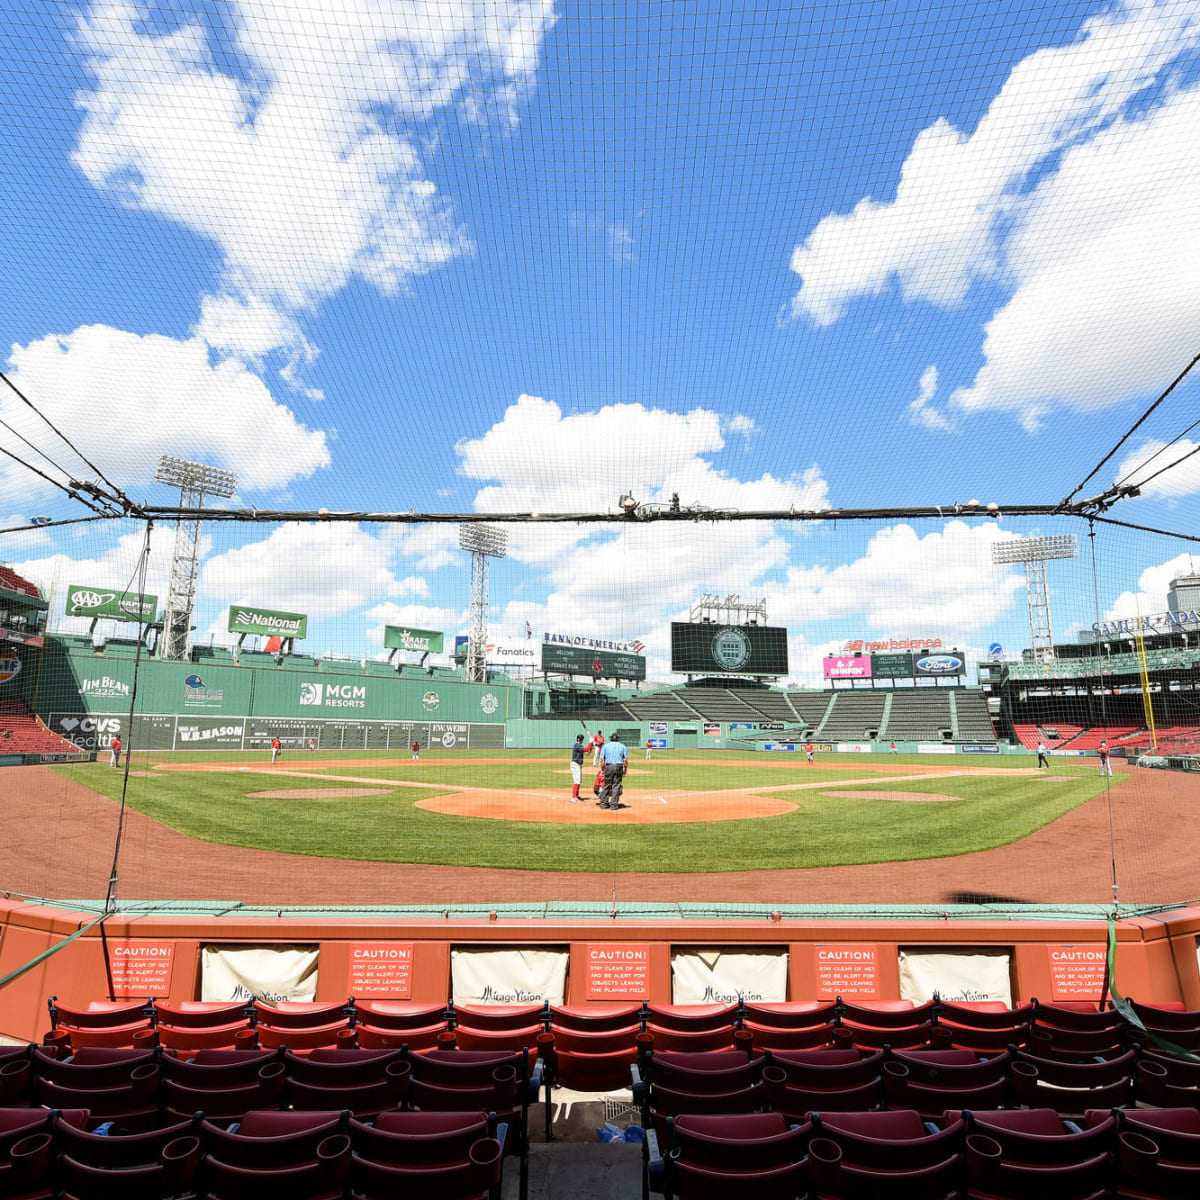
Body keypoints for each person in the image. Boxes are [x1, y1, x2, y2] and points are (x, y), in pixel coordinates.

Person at [597, 732, 628, 810]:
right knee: (616, 785)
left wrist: (602, 769)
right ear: (618, 739)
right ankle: (613, 805)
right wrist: (625, 769)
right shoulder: (623, 746)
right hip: (619, 766)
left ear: (610, 738)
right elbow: (625, 760)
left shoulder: (605, 746)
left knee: (607, 785)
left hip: (609, 766)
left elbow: (602, 760)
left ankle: (604, 804)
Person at [569, 734, 586, 802]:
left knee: (579, 780)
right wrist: (590, 743)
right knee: (577, 780)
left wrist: (592, 745)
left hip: (578, 765)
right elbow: (586, 749)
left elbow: (587, 752)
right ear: (582, 739)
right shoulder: (577, 745)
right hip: (575, 765)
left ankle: (576, 795)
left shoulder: (578, 746)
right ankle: (574, 797)